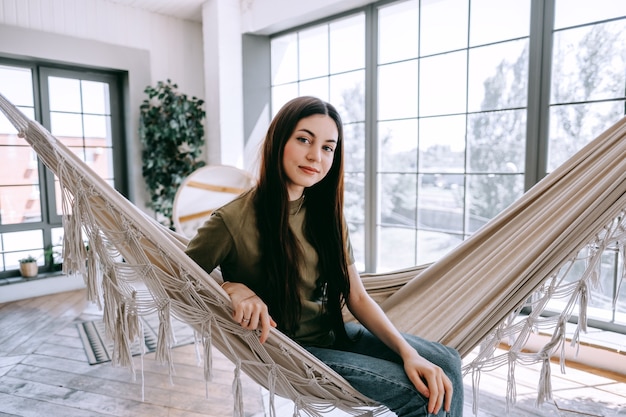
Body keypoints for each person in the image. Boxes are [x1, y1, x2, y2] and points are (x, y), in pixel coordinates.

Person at [185, 96, 463, 416]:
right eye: (304, 139)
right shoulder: (231, 220)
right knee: (419, 395)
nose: (316, 156)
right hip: (293, 352)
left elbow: (356, 297)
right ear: (279, 141)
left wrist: (408, 353)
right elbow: (181, 279)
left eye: (328, 147)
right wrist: (230, 287)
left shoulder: (325, 214)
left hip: (335, 333)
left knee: (445, 362)